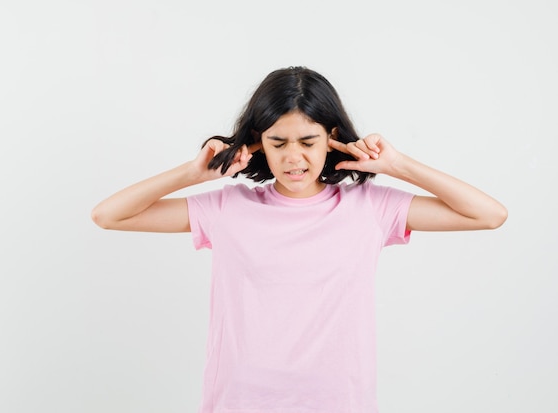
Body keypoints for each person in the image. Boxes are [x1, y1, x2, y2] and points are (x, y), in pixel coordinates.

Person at [91, 66, 507, 413]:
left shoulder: (369, 208)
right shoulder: (226, 209)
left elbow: (489, 215)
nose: (293, 158)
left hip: (340, 402)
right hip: (240, 400)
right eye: (278, 142)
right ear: (258, 144)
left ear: (331, 137)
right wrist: (192, 174)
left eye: (308, 142)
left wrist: (398, 165)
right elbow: (108, 215)